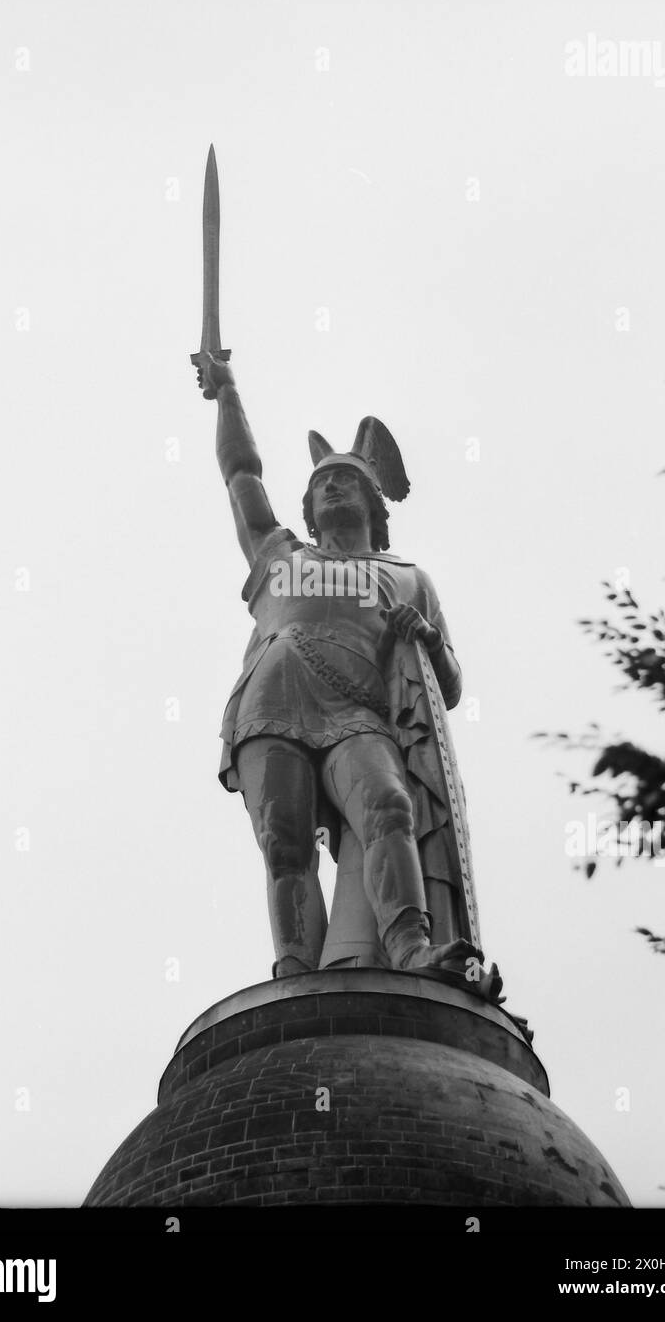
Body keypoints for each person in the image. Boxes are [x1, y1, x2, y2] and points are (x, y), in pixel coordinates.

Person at [196, 353, 502, 1000]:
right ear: (306, 509)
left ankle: (412, 947)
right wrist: (227, 395)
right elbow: (241, 474)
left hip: (359, 711)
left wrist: (424, 640)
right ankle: (294, 978)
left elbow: (447, 685)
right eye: (321, 484)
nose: (332, 488)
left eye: (346, 481)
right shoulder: (279, 554)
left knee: (389, 802)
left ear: (371, 500)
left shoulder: (410, 578)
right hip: (273, 700)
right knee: (285, 841)